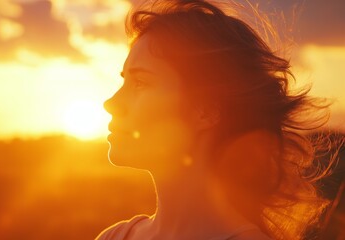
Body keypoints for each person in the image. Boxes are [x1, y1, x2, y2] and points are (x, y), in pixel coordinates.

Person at [96, 0, 331, 239]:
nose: (111, 103)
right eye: (124, 80)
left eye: (140, 83)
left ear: (206, 111)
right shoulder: (114, 236)